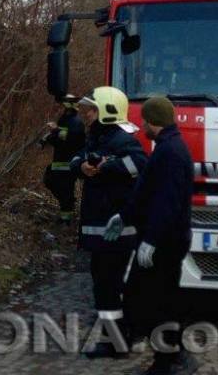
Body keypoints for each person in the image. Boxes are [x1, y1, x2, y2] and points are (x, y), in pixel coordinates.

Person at [104, 95, 197, 375]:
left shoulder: (170, 152)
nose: (140, 123)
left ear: (152, 121)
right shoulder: (168, 147)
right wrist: (125, 217)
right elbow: (147, 193)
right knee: (143, 297)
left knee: (157, 301)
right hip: (163, 239)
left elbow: (166, 203)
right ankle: (168, 354)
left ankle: (170, 361)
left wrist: (151, 241)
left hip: (164, 242)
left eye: (143, 119)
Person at [70, 86, 148, 359]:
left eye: (90, 109)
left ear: (105, 111)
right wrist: (81, 166)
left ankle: (116, 342)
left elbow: (138, 164)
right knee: (103, 285)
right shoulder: (97, 137)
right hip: (100, 229)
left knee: (110, 287)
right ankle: (116, 339)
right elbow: (77, 158)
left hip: (116, 232)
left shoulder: (121, 139)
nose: (85, 114)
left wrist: (105, 166)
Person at [41, 94, 85, 223]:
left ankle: (66, 218)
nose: (60, 107)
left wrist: (56, 130)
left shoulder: (76, 122)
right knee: (51, 181)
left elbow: (72, 139)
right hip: (60, 160)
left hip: (69, 161)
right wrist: (47, 139)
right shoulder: (65, 119)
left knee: (65, 189)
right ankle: (66, 208)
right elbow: (59, 139)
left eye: (62, 105)